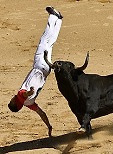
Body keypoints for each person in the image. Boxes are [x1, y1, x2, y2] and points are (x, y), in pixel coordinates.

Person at [8, 6, 63, 137]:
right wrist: (31, 92)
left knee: (49, 43)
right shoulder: (21, 96)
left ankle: (58, 20)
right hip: (39, 65)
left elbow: (42, 113)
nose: (11, 99)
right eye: (11, 101)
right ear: (15, 103)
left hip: (46, 70)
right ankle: (53, 17)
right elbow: (26, 93)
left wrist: (49, 126)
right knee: (44, 40)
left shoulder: (29, 104)